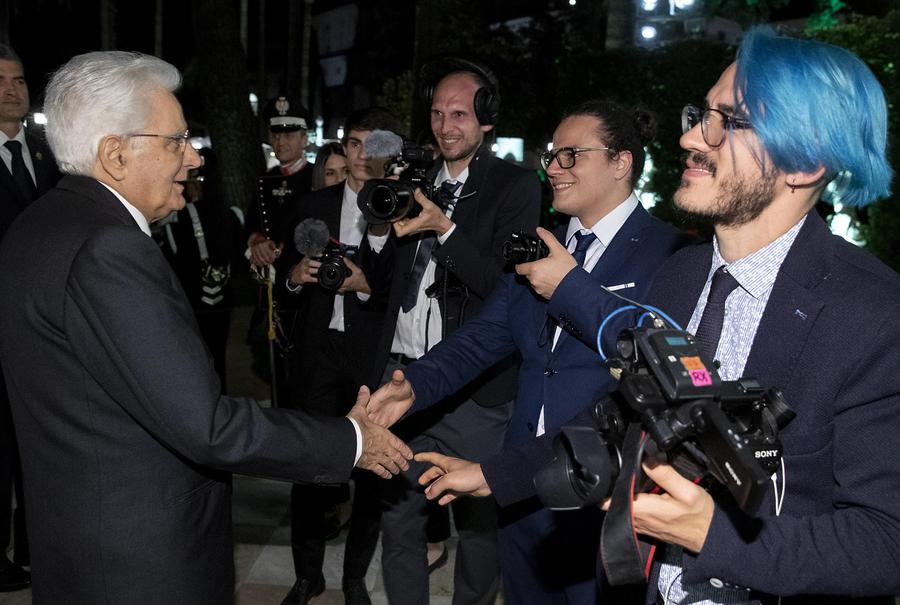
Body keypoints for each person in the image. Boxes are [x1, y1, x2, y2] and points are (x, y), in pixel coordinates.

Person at [413, 27, 900, 605]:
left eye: (730, 121)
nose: (690, 135)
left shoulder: (873, 316)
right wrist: (496, 474)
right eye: (701, 114)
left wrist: (710, 536)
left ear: (805, 161)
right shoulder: (680, 275)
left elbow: (885, 544)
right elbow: (621, 419)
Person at [0, 51, 412, 605]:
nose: (194, 158)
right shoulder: (108, 249)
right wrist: (351, 439)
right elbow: (209, 427)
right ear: (115, 155)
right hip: (141, 563)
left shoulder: (39, 223)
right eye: (175, 141)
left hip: (79, 541)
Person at [367, 98, 689, 603]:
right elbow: (483, 336)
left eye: (571, 156)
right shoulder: (542, 244)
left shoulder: (672, 256)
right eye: (551, 157)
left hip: (601, 491)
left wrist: (570, 287)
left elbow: (645, 375)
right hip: (520, 488)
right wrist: (413, 389)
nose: (555, 170)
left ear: (621, 162)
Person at [366, 57, 541, 605]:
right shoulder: (413, 181)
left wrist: (443, 227)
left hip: (476, 393)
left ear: (486, 120)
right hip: (404, 378)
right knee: (398, 523)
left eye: (460, 114)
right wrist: (379, 226)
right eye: (438, 113)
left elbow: (505, 289)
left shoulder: (514, 186)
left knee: (480, 528)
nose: (445, 127)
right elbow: (379, 285)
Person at [275, 107, 400, 605]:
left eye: (374, 146)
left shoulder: (399, 207)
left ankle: (354, 580)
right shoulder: (313, 201)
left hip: (370, 353)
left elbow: (400, 288)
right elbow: (284, 277)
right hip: (316, 350)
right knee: (307, 460)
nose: (363, 155)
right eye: (354, 144)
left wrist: (364, 282)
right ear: (344, 149)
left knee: (372, 470)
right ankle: (307, 576)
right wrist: (295, 277)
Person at [0, 43, 61, 593]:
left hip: (43, 331)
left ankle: (33, 547)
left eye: (19, 80)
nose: (11, 89)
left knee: (34, 443)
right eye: (0, 80)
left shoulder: (47, 153)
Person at [245, 95, 314, 403]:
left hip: (306, 293)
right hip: (271, 293)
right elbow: (250, 225)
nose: (281, 141)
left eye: (288, 134)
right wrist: (255, 244)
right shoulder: (264, 180)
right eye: (276, 134)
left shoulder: (317, 177)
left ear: (304, 138)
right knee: (268, 366)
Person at [153, 148, 241, 392]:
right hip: (222, 300)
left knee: (196, 364)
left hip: (191, 301)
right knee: (218, 360)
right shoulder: (231, 213)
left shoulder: (179, 219)